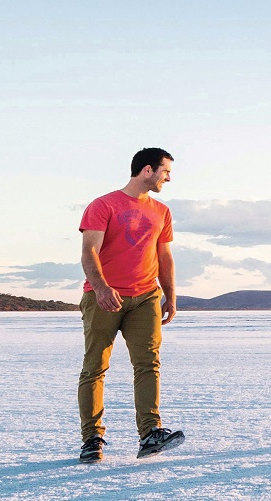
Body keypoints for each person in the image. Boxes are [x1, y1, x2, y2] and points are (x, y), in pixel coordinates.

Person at [76, 147, 185, 463]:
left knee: (148, 363)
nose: (169, 178)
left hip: (146, 298)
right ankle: (91, 439)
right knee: (95, 367)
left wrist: (171, 296)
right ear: (148, 170)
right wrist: (101, 287)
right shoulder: (103, 205)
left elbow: (164, 256)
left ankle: (151, 434)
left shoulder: (162, 212)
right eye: (166, 171)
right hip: (103, 298)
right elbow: (88, 251)